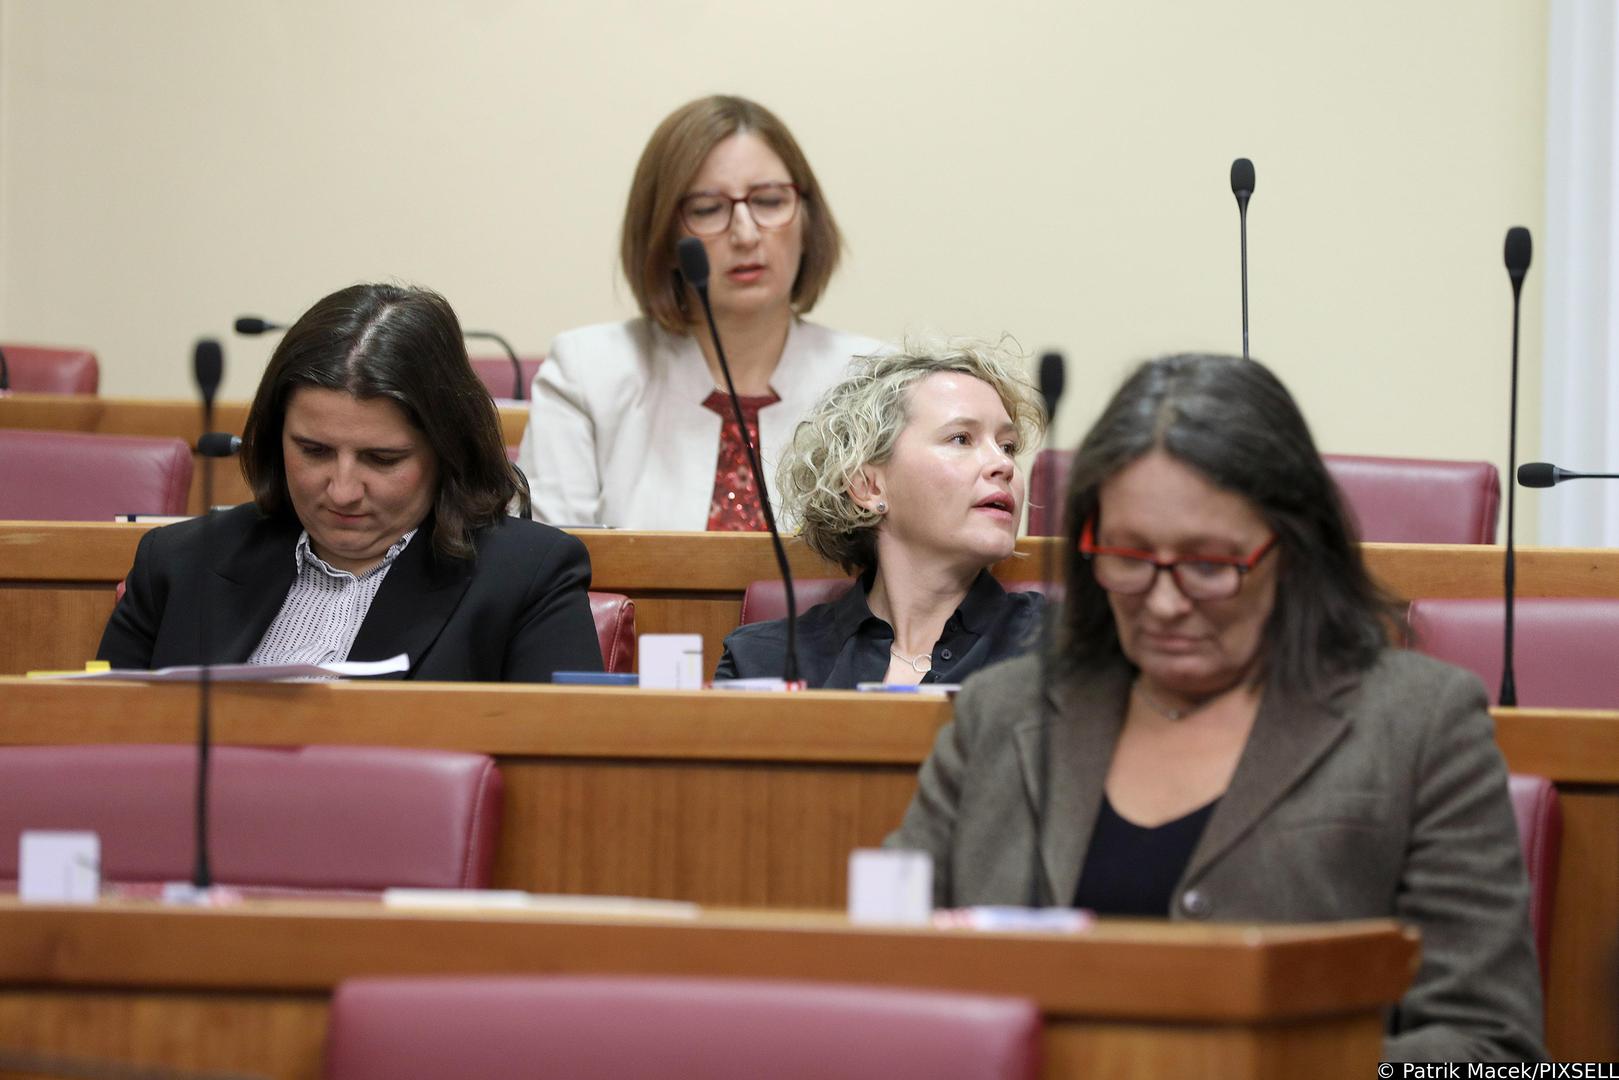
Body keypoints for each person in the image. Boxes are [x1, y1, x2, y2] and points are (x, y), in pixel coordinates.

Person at [887, 353, 1545, 1062]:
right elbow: (885, 978)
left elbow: (1488, 1045)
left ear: (1290, 550)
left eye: (1208, 565)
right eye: (1128, 557)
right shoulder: (1000, 712)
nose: (1165, 603)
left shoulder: (1417, 723)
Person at [99, 283, 604, 682]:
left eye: (382, 459)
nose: (341, 490)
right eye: (313, 451)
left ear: (446, 450)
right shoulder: (178, 564)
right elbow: (91, 755)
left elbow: (560, 784)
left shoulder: (529, 578)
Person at [518, 94, 881, 529]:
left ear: (807, 219)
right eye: (708, 209)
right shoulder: (587, 372)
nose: (746, 234)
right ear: (664, 235)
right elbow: (547, 572)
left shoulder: (872, 379)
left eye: (769, 201)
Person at [715, 344, 1047, 687]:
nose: (1004, 465)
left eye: (1008, 446)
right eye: (961, 439)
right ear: (868, 486)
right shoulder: (761, 662)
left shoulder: (1067, 648)